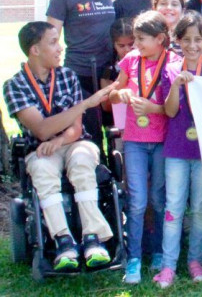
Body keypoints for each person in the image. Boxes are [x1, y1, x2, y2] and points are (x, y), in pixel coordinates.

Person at [3, 22, 117, 270]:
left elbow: (75, 128)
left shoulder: (67, 76)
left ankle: (92, 238)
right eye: (53, 42)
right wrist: (85, 105)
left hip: (73, 142)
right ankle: (63, 240)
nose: (61, 47)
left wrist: (59, 139)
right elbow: (41, 129)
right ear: (35, 50)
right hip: (39, 148)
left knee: (82, 161)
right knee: (43, 170)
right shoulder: (15, 86)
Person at [153, 13, 202, 288]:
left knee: (199, 208)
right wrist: (175, 85)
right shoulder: (171, 70)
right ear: (178, 41)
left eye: (198, 39)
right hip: (176, 150)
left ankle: (195, 260)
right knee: (174, 207)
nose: (193, 45)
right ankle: (168, 265)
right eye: (186, 40)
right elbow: (170, 111)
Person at [109, 11, 181, 284]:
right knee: (137, 201)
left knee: (159, 200)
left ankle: (161, 253)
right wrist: (121, 93)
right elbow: (114, 92)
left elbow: (178, 108)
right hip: (135, 142)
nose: (135, 43)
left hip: (164, 141)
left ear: (160, 38)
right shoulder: (130, 60)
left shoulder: (174, 62)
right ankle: (134, 257)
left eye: (141, 38)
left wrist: (155, 108)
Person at [46, 0, 116, 150]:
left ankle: (113, 173)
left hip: (106, 75)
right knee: (88, 132)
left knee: (112, 128)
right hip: (79, 74)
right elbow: (50, 36)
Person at [100, 17, 135, 117]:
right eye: (121, 46)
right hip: (119, 120)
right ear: (114, 44)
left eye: (131, 44)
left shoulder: (147, 63)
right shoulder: (109, 70)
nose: (127, 50)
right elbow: (106, 106)